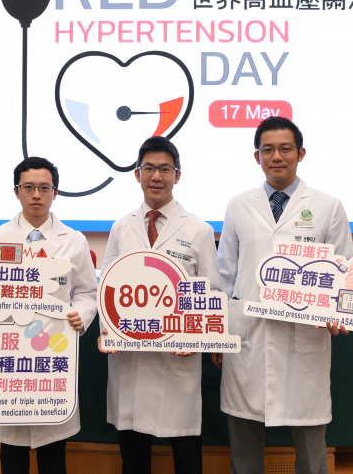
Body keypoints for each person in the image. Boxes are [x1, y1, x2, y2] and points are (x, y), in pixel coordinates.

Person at [213, 117, 353, 474]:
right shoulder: (238, 205)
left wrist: (340, 313)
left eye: (285, 148)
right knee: (244, 440)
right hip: (247, 338)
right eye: (268, 149)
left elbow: (346, 272)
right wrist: (219, 332)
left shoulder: (328, 206)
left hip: (305, 337)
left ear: (300, 153)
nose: (276, 156)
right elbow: (225, 273)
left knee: (310, 440)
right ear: (257, 156)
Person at [0, 157, 98, 474]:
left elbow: (88, 292)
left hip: (52, 355)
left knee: (53, 454)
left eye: (44, 188)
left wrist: (81, 315)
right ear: (16, 191)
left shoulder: (74, 240)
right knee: (12, 454)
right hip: (8, 359)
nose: (36, 195)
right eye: (29, 187)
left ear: (55, 193)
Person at [98, 136, 219, 474]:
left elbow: (211, 290)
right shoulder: (121, 227)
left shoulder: (198, 229)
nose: (156, 176)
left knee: (186, 453)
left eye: (165, 169)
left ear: (177, 175)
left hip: (176, 356)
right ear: (137, 174)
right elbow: (107, 284)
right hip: (130, 354)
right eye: (149, 168)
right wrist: (107, 330)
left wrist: (195, 337)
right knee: (133, 455)